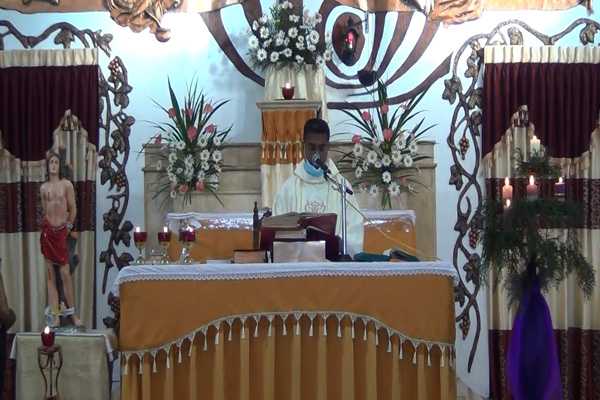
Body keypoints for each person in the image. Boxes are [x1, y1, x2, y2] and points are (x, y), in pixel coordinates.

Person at [273, 118, 364, 256]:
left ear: (328, 147)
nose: (316, 154)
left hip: (334, 265)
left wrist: (337, 246)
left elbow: (354, 232)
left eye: (321, 148)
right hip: (298, 265)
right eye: (312, 147)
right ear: (303, 146)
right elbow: (278, 235)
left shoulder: (341, 187)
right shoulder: (289, 189)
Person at [40, 151, 80, 327]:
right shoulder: (44, 188)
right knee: (51, 276)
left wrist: (68, 226)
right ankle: (55, 315)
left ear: (60, 165)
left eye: (56, 162)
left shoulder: (66, 185)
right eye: (51, 162)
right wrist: (47, 229)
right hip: (49, 233)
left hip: (62, 232)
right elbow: (45, 210)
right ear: (47, 166)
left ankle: (73, 315)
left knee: (65, 273)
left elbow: (73, 208)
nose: (54, 165)